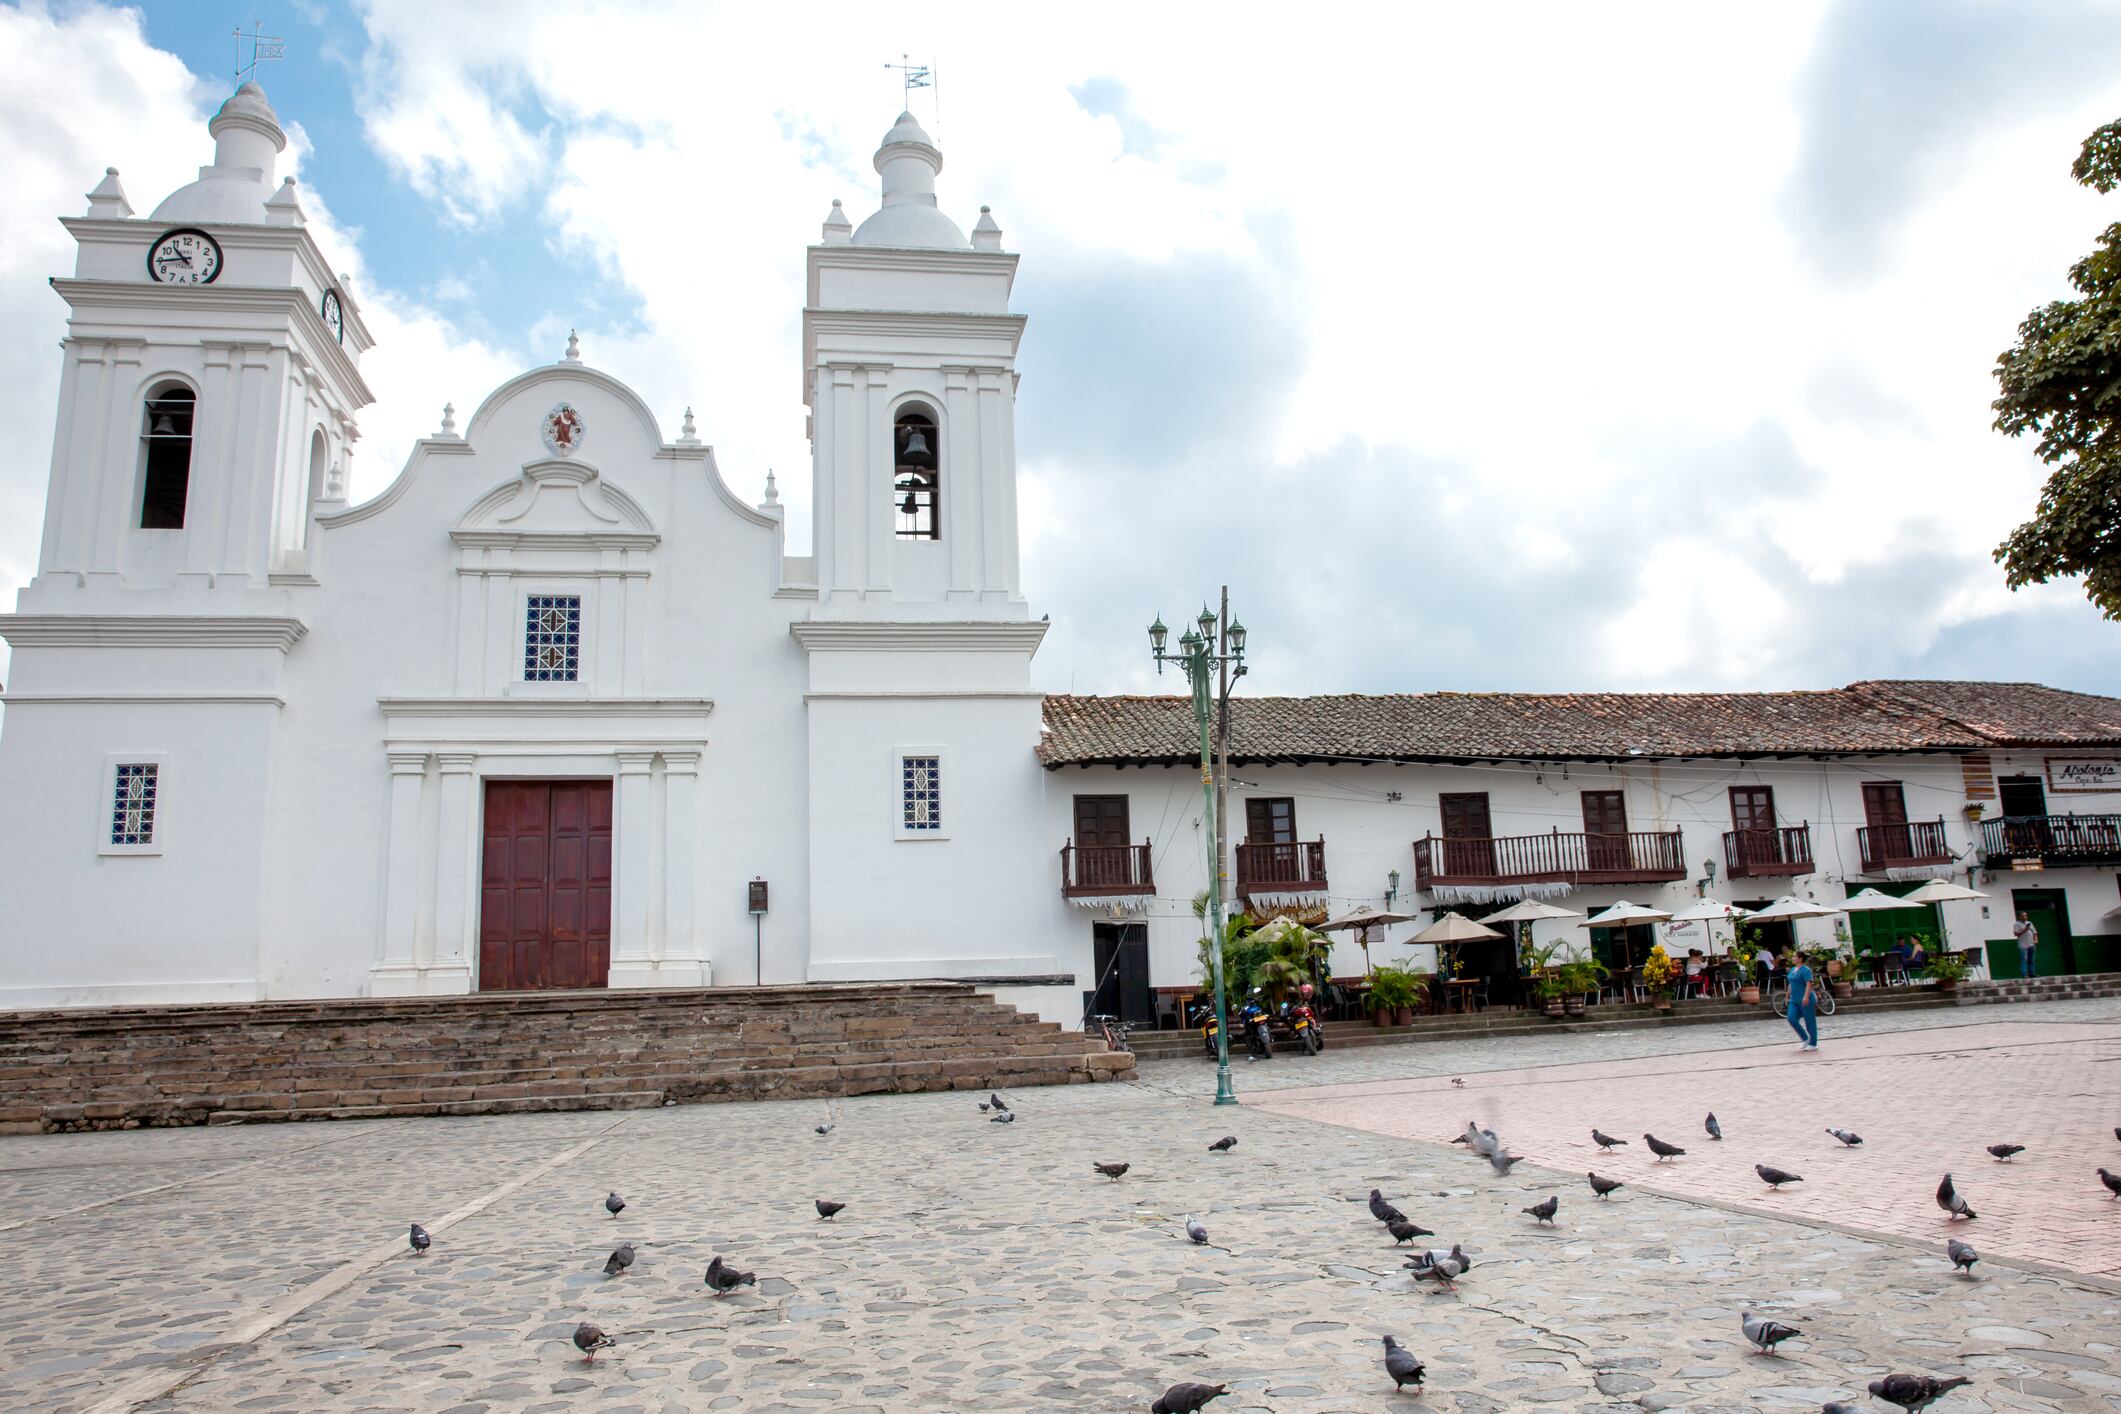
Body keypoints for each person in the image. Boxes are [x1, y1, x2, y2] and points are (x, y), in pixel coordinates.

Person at [1784, 949, 1819, 1051]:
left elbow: (1809, 984)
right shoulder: (1792, 970)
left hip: (1805, 998)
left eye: (1795, 956)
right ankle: (1805, 1038)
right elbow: (1791, 983)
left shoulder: (1806, 970)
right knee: (1791, 1018)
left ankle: (1813, 1043)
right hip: (1794, 999)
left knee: (1810, 1021)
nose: (1792, 958)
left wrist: (1806, 996)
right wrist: (1787, 995)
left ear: (1800, 959)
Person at [2013, 912, 2038, 978]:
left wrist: (2036, 940)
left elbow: (2034, 932)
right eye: (2023, 916)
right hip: (2023, 945)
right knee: (2024, 959)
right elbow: (2016, 934)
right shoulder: (2016, 924)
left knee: (2031, 960)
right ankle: (2024, 974)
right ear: (2019, 917)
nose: (2024, 917)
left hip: (2031, 944)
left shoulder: (2030, 923)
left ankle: (2032, 973)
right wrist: (2025, 930)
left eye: (2025, 915)